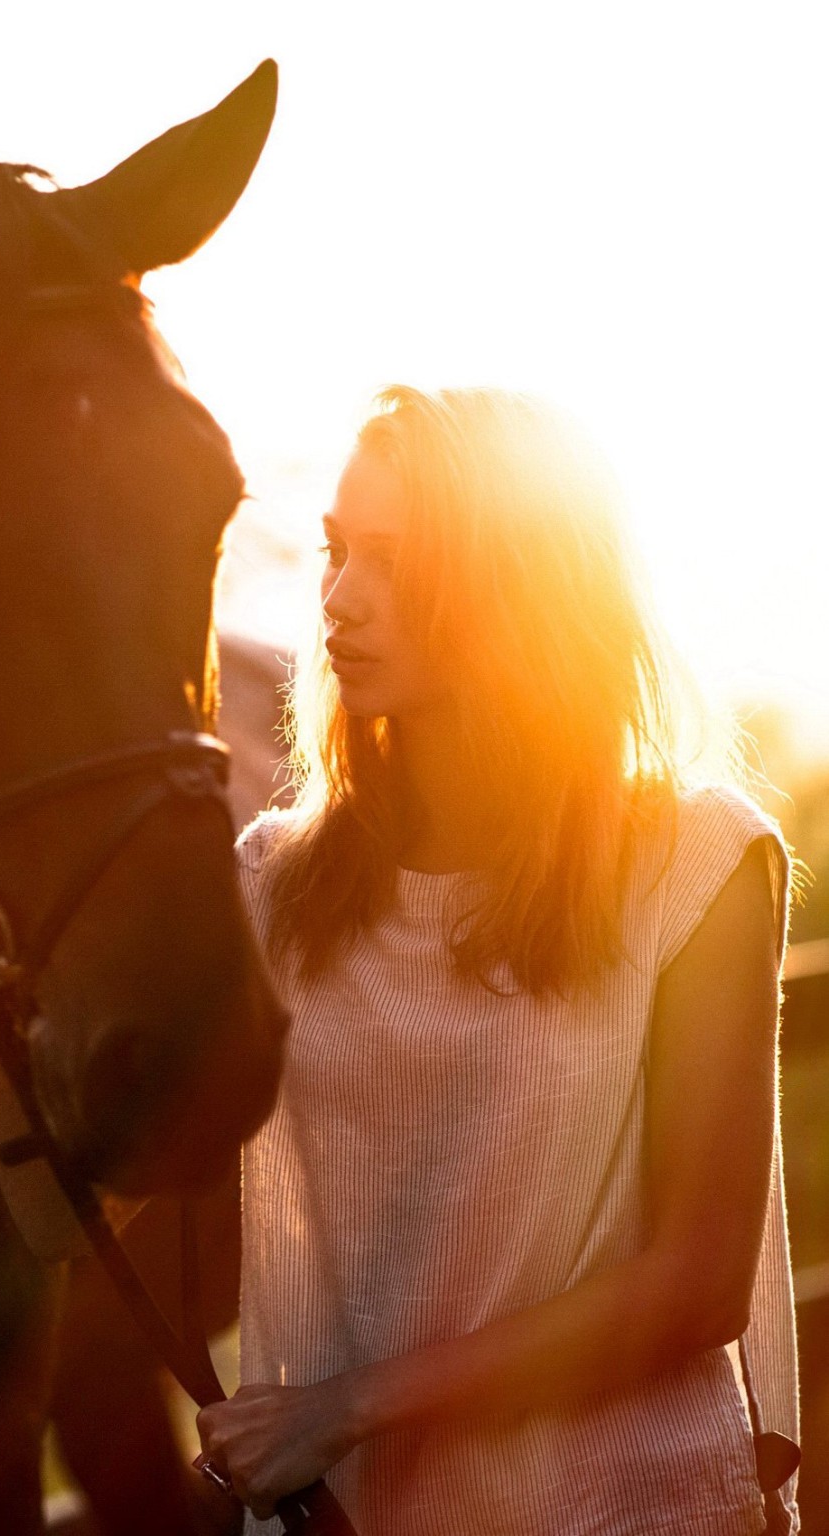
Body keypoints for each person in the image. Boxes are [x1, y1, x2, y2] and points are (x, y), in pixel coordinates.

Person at [196, 387, 799, 1535]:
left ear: (519, 586)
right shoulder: (273, 882)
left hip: (627, 1508)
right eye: (333, 553)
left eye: (395, 560)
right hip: (353, 1517)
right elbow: (159, 1193)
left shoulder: (698, 863)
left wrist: (346, 1407)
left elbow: (699, 1277)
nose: (337, 598)